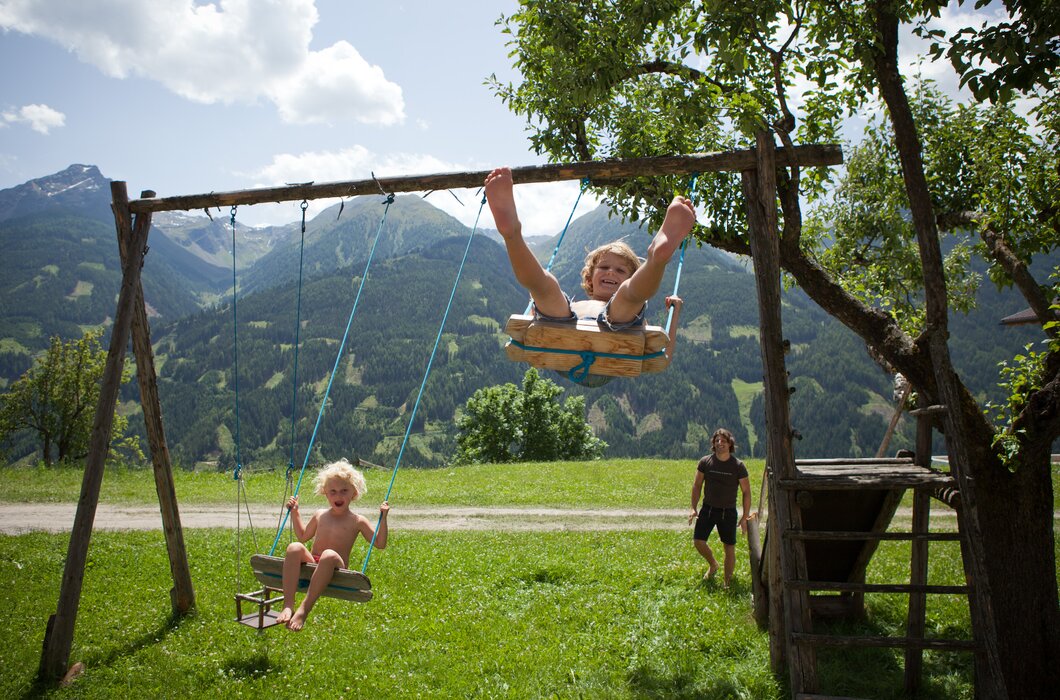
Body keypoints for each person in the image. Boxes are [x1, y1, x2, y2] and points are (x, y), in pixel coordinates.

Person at [484, 166, 694, 384]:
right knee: (546, 288)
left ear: (632, 277)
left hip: (612, 341)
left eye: (621, 271)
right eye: (603, 268)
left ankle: (656, 259)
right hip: (562, 333)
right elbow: (664, 358)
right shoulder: (576, 306)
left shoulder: (624, 304)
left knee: (628, 298)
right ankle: (512, 233)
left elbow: (662, 355)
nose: (611, 271)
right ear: (589, 278)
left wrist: (674, 314)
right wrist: (536, 301)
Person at [275, 458, 389, 631]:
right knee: (294, 547)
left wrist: (384, 518)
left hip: (336, 566)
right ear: (325, 493)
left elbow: (380, 543)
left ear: (354, 493)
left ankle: (304, 610)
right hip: (314, 562)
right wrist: (295, 513)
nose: (338, 496)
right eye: (333, 491)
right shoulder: (320, 515)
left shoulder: (357, 521)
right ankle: (288, 604)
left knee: (328, 554)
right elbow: (303, 536)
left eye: (344, 491)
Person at [687, 428, 753, 588]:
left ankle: (727, 583)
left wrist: (745, 517)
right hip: (708, 509)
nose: (719, 443)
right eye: (717, 441)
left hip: (728, 512)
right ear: (713, 444)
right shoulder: (705, 462)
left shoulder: (738, 466)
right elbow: (697, 485)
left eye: (723, 441)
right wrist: (693, 508)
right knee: (698, 542)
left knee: (729, 548)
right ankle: (713, 564)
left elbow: (746, 492)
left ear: (730, 444)